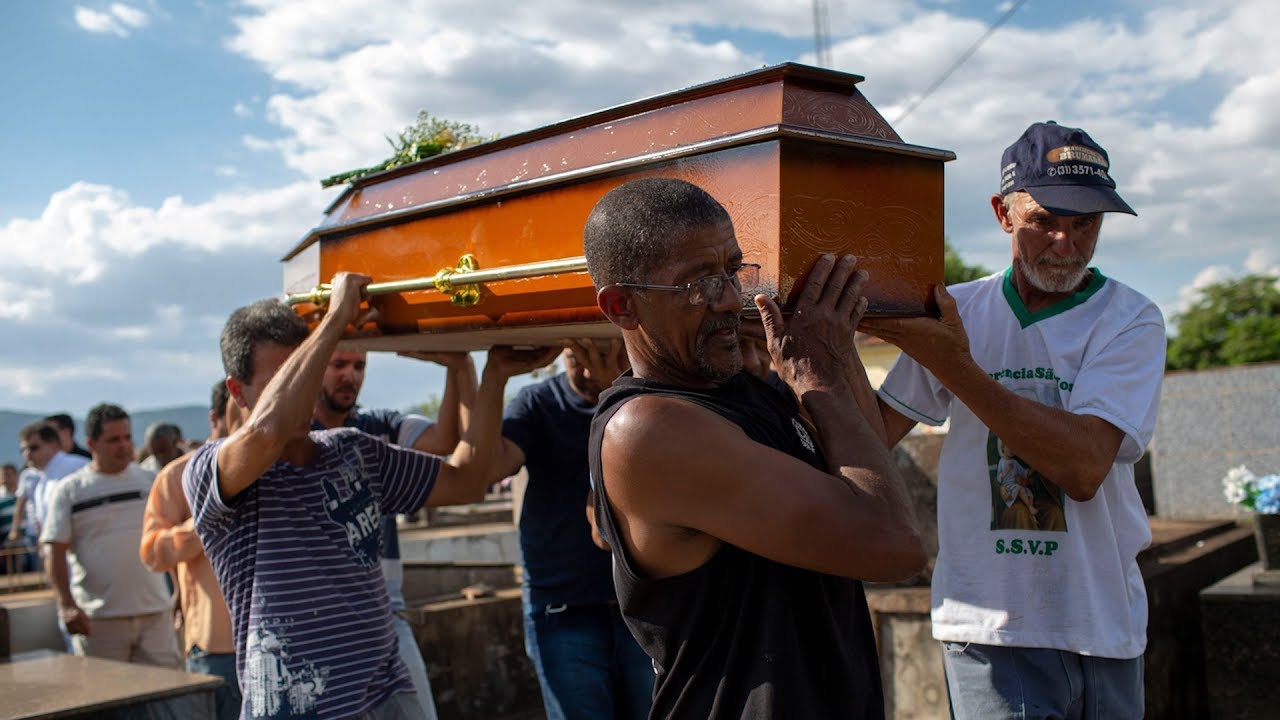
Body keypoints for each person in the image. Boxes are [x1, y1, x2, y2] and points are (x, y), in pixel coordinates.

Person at [582, 177, 924, 718]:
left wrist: (836, 354)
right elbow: (894, 543)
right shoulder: (651, 430)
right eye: (697, 283)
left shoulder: (750, 392)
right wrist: (818, 377)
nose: (728, 299)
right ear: (622, 305)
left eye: (732, 271)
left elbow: (867, 464)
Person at [865, 121, 1165, 719]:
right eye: (1043, 221)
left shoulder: (1130, 319)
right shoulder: (959, 310)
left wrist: (958, 368)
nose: (1065, 242)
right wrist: (814, 346)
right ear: (1004, 214)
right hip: (987, 626)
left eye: (1086, 225)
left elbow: (1083, 467)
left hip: (1100, 622)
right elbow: (870, 436)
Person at [183, 281, 557, 720]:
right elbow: (267, 433)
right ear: (238, 391)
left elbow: (468, 480)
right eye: (285, 382)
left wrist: (493, 375)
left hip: (387, 696)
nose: (302, 395)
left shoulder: (352, 450)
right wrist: (335, 320)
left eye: (306, 372)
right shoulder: (211, 472)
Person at [486, 338, 654, 720]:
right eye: (576, 356)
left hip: (640, 606)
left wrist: (618, 388)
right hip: (563, 607)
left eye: (607, 352)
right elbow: (490, 468)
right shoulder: (537, 402)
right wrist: (491, 379)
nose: (588, 366)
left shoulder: (649, 400)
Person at [310, 348, 479, 720]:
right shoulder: (294, 439)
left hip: (387, 613)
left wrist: (458, 365)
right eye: (338, 365)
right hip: (322, 622)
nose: (350, 376)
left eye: (359, 366)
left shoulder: (376, 426)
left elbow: (443, 441)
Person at [41, 403, 181, 667]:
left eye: (127, 437)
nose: (124, 446)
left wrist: (180, 592)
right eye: (114, 440)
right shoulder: (70, 491)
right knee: (107, 700)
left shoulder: (151, 481)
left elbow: (168, 538)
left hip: (154, 615)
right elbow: (54, 551)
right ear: (92, 443)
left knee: (164, 701)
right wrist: (67, 605)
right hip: (99, 621)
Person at [141, 381, 246, 720]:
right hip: (218, 650)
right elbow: (153, 554)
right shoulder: (177, 477)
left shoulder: (279, 465)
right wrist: (204, 520)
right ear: (217, 416)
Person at [9, 423, 89, 560]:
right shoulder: (42, 479)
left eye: (34, 447)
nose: (27, 454)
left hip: (84, 558)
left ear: (53, 444)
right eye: (23, 450)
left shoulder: (76, 467)